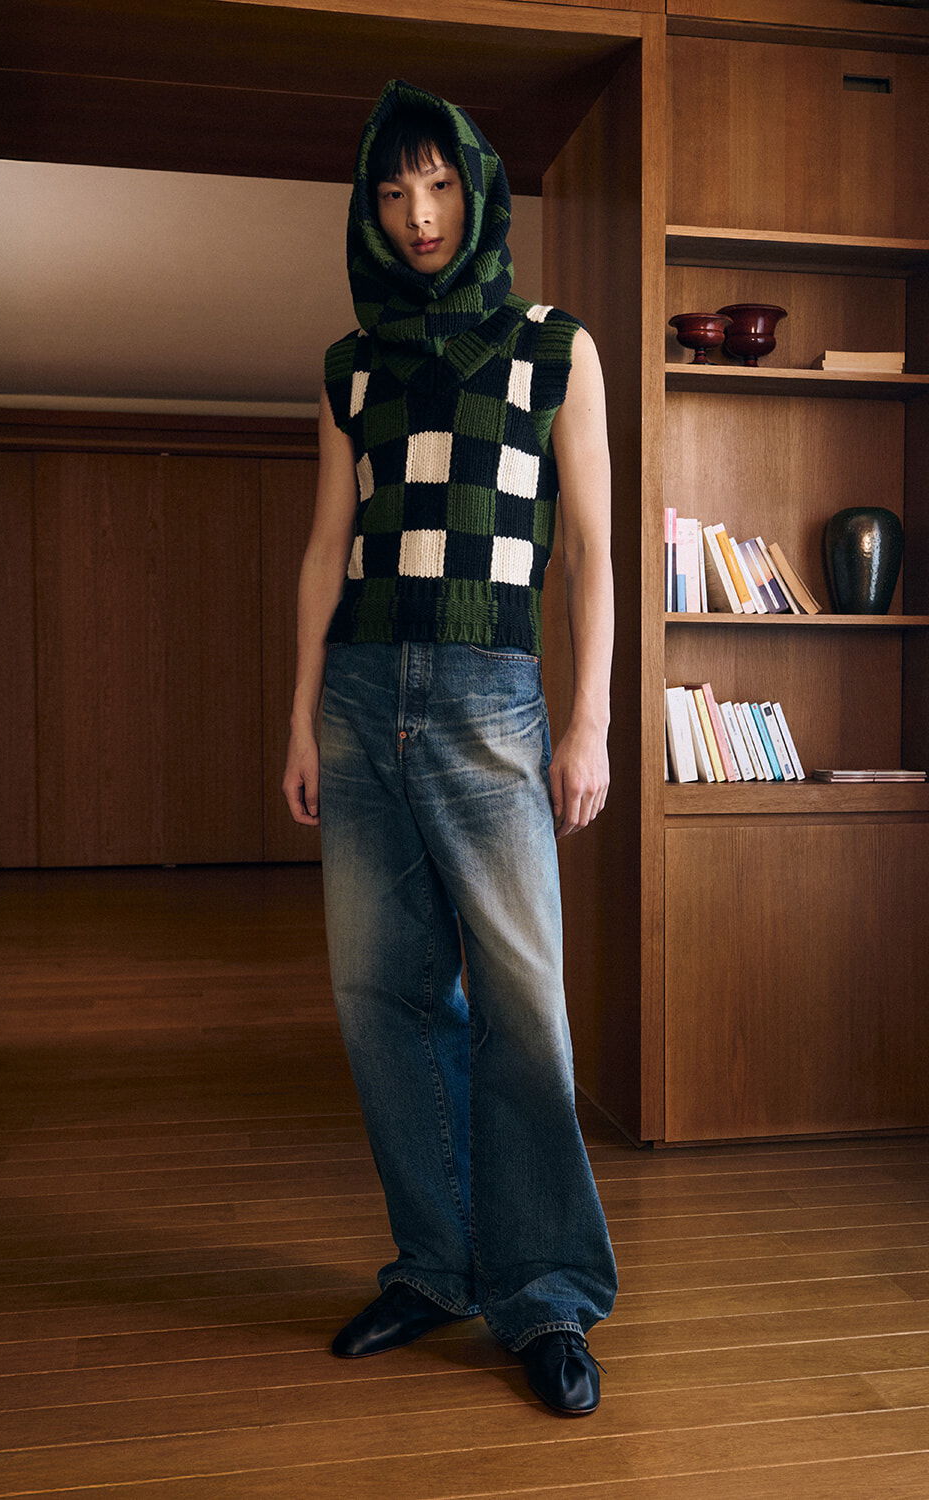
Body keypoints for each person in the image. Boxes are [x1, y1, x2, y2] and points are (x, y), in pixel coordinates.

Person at [281, 77, 617, 1416]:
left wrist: (588, 721)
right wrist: (297, 716)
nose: (419, 213)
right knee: (381, 1000)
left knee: (525, 1012)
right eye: (393, 190)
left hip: (494, 701)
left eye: (439, 184)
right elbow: (324, 549)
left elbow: (591, 550)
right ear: (371, 209)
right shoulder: (349, 365)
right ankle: (434, 1265)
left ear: (476, 192)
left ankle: (544, 1297)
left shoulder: (556, 348)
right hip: (360, 700)